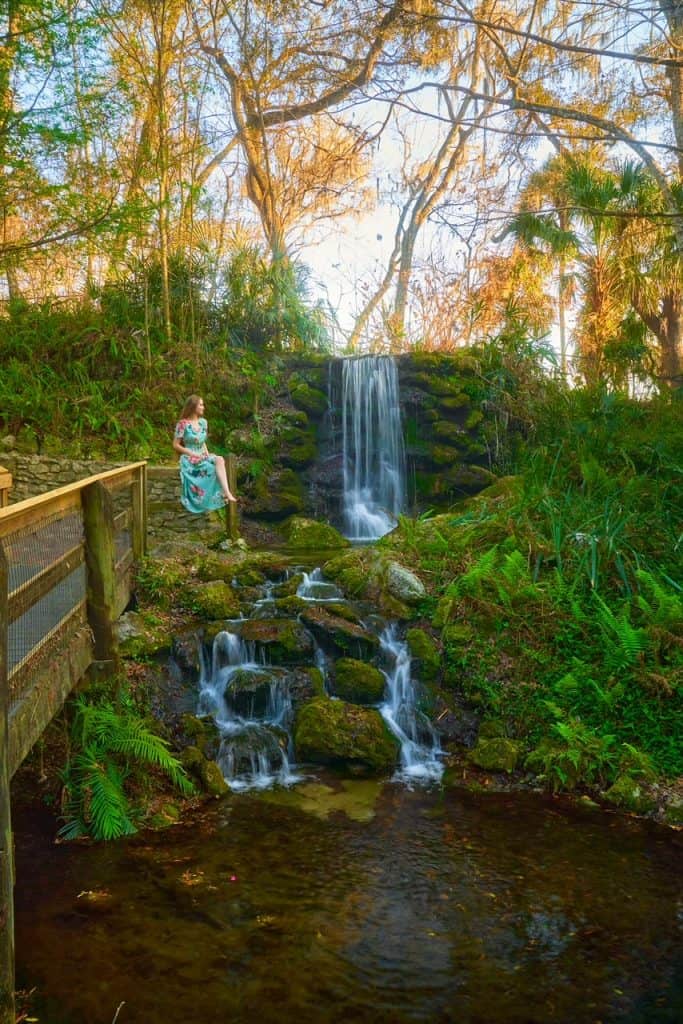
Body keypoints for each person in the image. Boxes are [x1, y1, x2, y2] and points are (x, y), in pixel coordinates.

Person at [173, 395, 237, 513]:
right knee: (210, 469)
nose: (204, 407)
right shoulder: (183, 424)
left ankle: (226, 492)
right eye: (201, 405)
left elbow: (203, 443)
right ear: (193, 407)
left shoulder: (203, 423)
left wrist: (207, 455)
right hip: (189, 457)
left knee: (219, 460)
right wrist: (190, 452)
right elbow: (176, 445)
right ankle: (211, 499)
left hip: (202, 454)